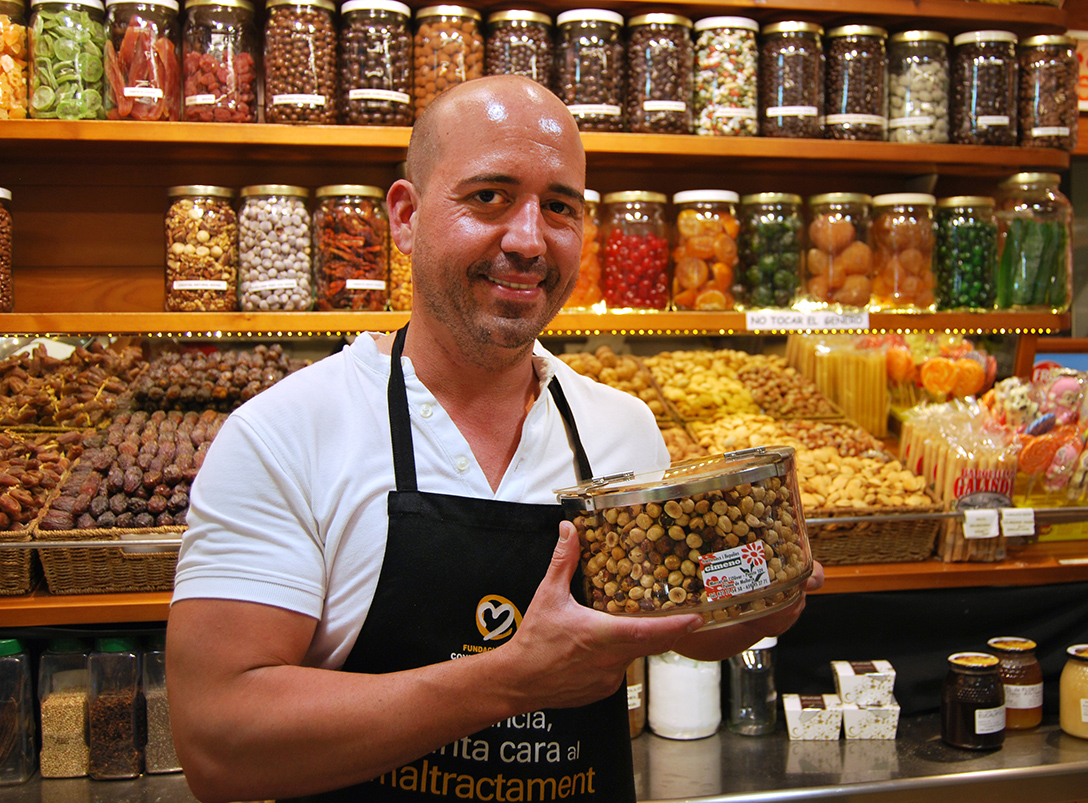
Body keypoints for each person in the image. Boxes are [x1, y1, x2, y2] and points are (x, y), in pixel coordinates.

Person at [166, 75, 824, 803]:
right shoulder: (284, 434)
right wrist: (511, 679)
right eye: (489, 197)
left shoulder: (619, 427)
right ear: (406, 216)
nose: (528, 239)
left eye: (561, 208)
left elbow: (675, 621)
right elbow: (218, 742)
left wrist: (763, 591)